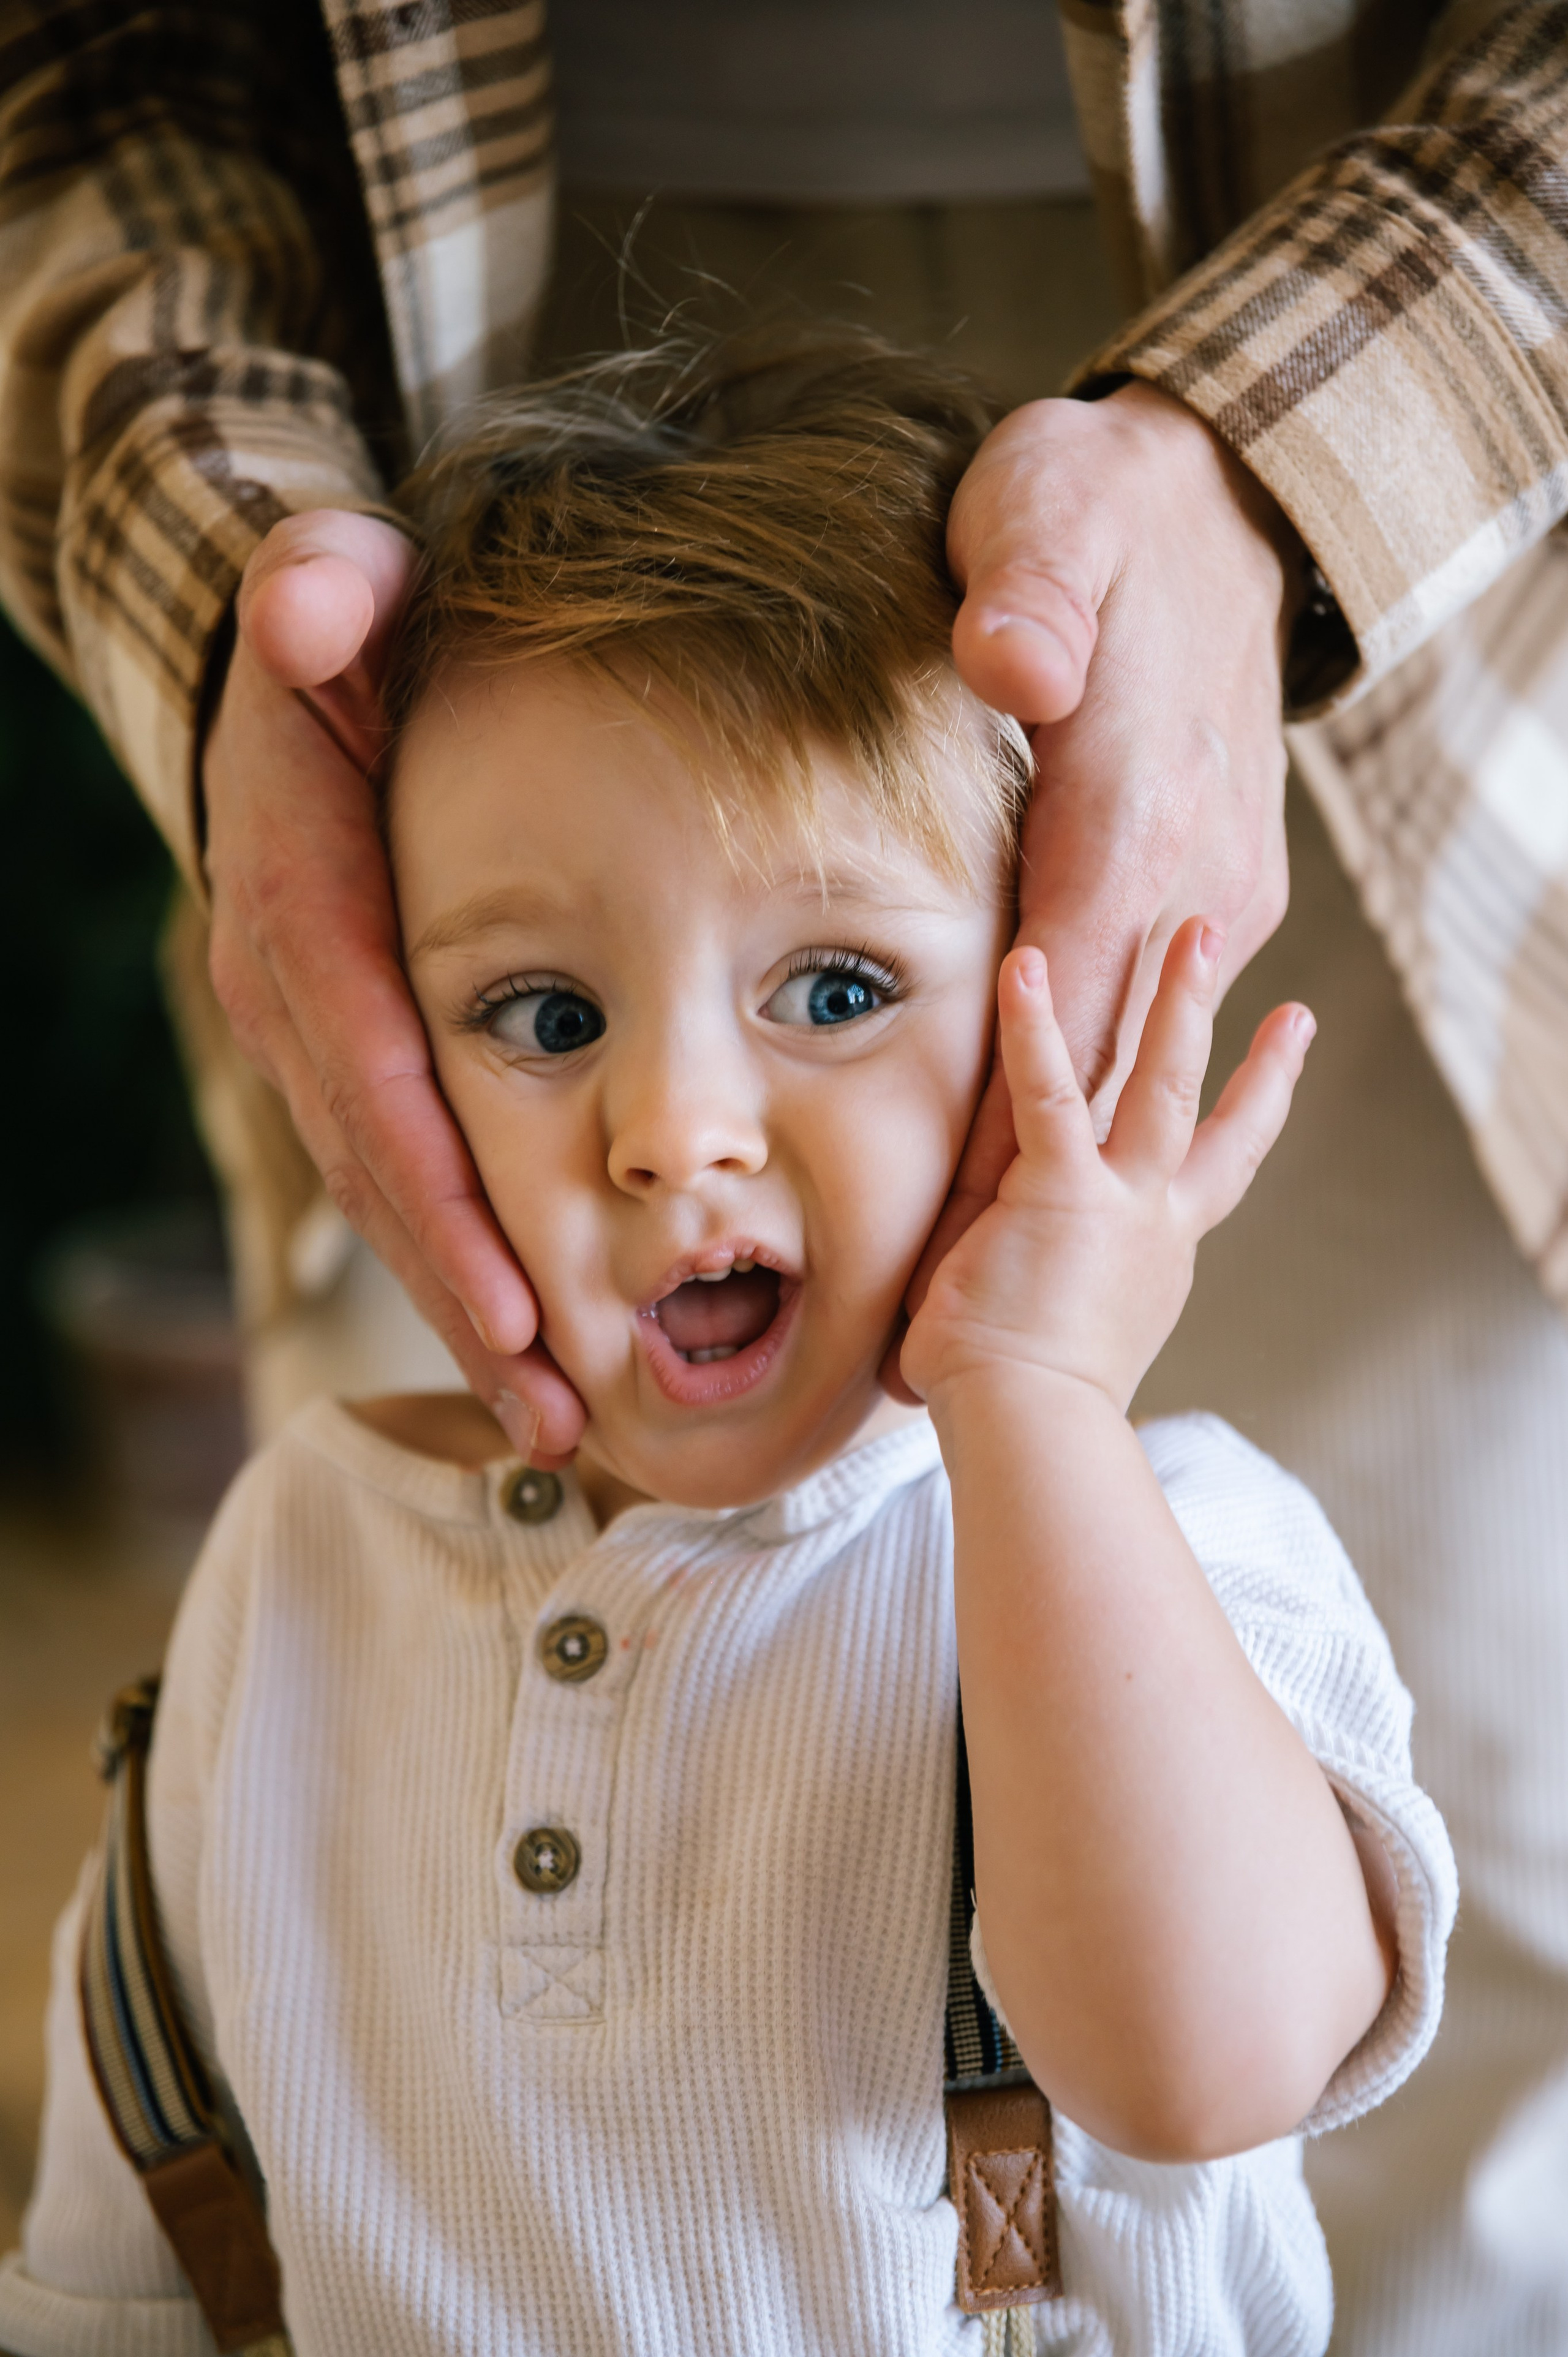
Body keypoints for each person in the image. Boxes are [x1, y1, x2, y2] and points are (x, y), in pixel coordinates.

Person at [3, 6, 1568, 2347]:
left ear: (1069, 1004)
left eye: (834, 992)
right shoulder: (299, 1554)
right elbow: (143, 2217)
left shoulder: (1193, 1547)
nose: (672, 1130)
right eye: (544, 1017)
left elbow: (1196, 2072)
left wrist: (1036, 1394)